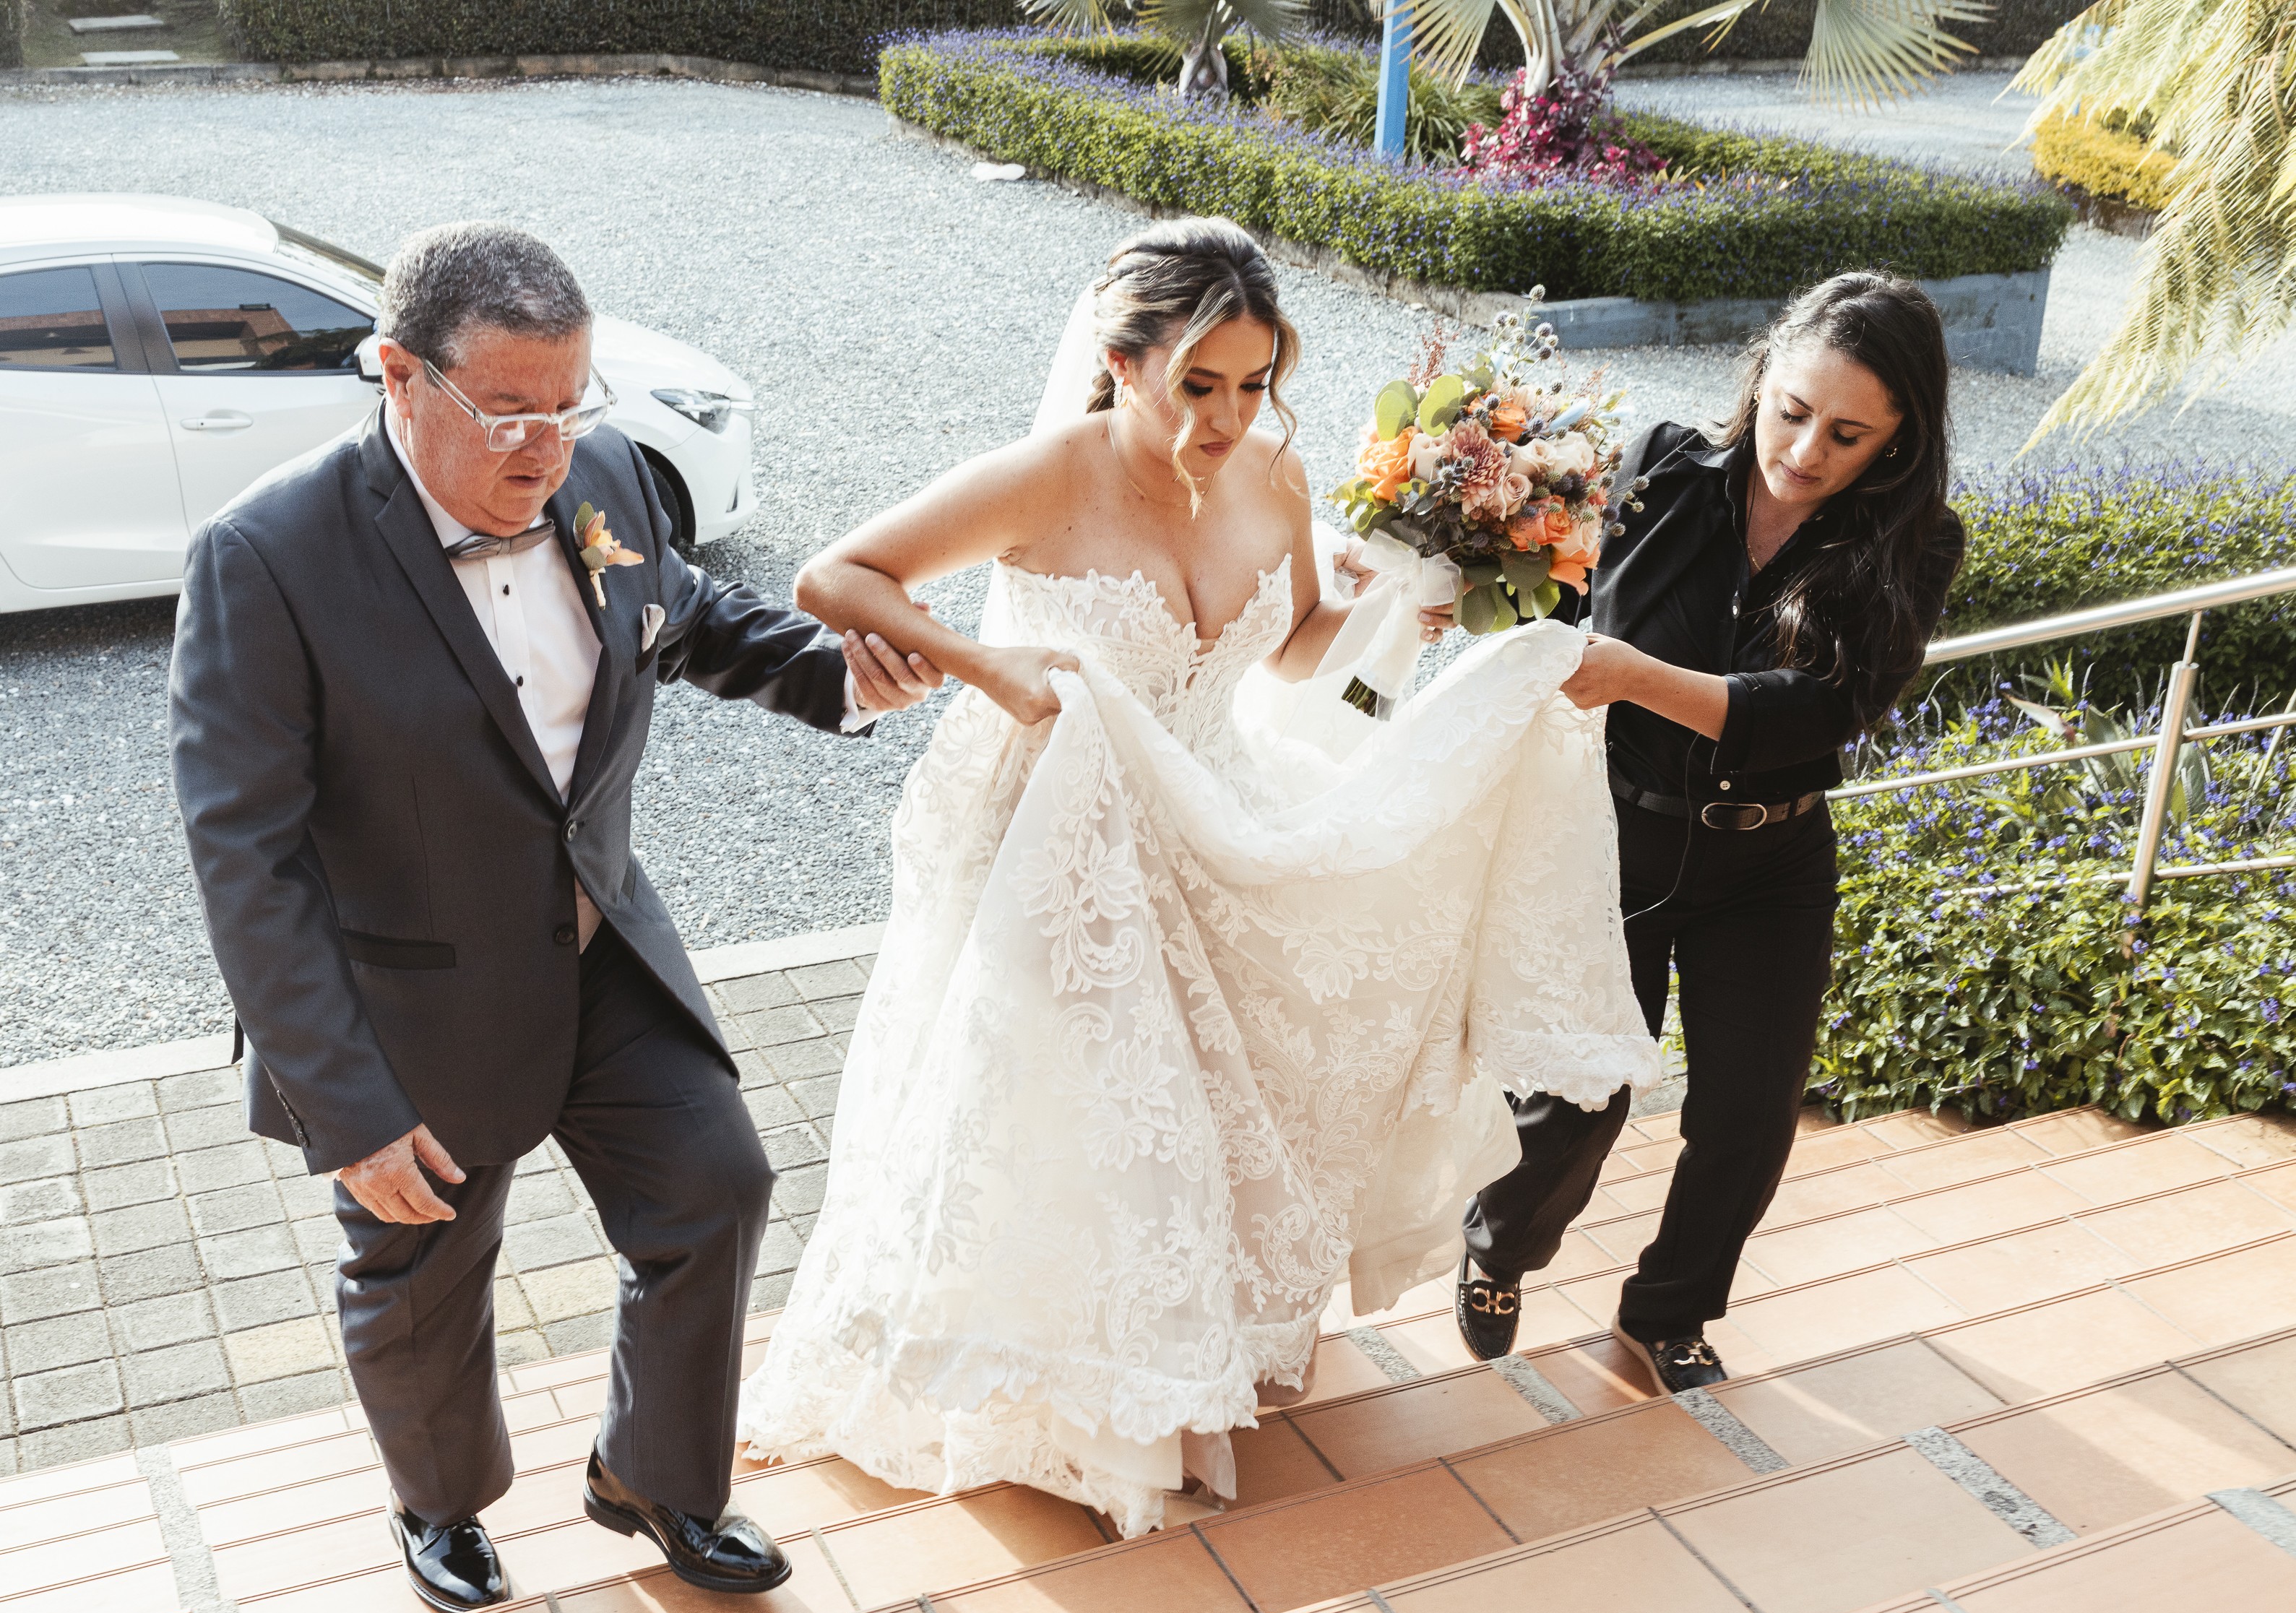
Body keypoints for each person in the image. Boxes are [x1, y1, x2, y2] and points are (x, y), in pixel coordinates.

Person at [737, 218, 1660, 1539]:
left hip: (1212, 807)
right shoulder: (1047, 476)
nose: (1227, 418)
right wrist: (987, 666)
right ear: (1120, 363)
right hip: (1056, 839)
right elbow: (835, 573)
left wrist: (1397, 610)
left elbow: (1289, 646)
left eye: (1253, 383)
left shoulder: (1271, 472)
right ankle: (1068, 1401)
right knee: (1085, 1109)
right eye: (1198, 385)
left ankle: (1170, 1363)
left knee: (1212, 1106)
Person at [168, 222, 933, 1613]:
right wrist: (345, 1105)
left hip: (598, 941)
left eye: (569, 405)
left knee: (715, 1186)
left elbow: (679, 615)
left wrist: (833, 675)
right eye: (509, 412)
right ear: (398, 374)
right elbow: (245, 856)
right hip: (414, 997)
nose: (545, 447)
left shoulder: (610, 473)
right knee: (422, 1271)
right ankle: (440, 1502)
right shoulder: (265, 557)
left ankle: (656, 1475)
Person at [1448, 272, 1964, 1392]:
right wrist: (1455, 575)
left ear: (1897, 440)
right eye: (1792, 412)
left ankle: (1668, 1307)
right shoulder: (1656, 471)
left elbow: (1823, 711)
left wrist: (1638, 675)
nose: (1805, 451)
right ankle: (1497, 1246)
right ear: (1760, 380)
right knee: (1579, 1096)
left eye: (1846, 435)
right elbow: (1557, 605)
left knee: (1747, 1114)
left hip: (1771, 862)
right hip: (1617, 837)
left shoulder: (1914, 545)